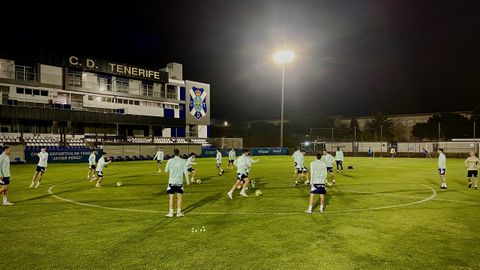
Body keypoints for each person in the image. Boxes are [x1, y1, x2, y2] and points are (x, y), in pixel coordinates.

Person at [165, 148, 190, 217]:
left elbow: (166, 170)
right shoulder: (183, 161)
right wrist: (188, 181)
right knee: (179, 198)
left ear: (173, 153)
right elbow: (186, 172)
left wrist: (172, 169)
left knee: (171, 198)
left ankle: (171, 213)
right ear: (179, 153)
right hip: (179, 182)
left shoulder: (170, 160)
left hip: (171, 182)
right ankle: (178, 213)